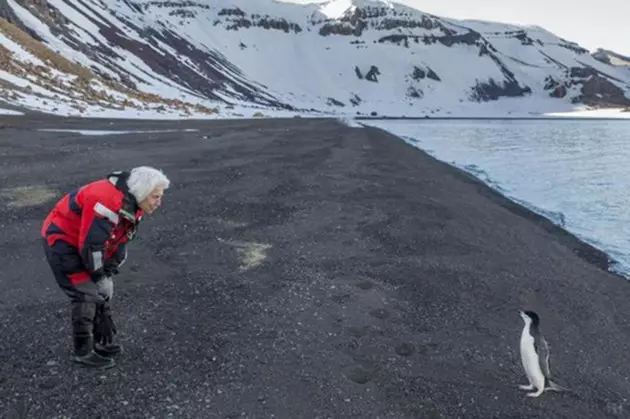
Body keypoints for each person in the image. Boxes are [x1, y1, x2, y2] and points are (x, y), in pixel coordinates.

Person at [41, 166, 170, 368]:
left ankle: (98, 341)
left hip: (82, 242)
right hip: (62, 241)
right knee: (85, 293)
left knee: (101, 290)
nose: (159, 202)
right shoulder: (106, 201)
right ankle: (82, 351)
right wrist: (99, 276)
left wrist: (107, 272)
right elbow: (92, 246)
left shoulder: (134, 202)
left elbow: (119, 240)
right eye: (155, 197)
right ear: (144, 193)